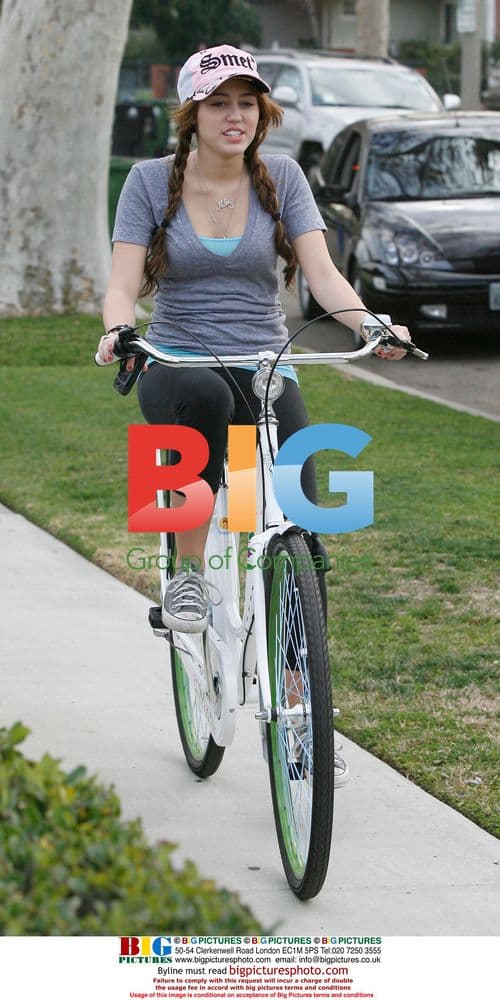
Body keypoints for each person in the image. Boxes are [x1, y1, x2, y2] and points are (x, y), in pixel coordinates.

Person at [98, 44, 411, 785]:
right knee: (206, 406)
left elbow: (323, 275)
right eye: (218, 103)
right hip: (175, 360)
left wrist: (370, 323)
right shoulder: (150, 182)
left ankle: (302, 707)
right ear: (192, 114)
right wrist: (118, 329)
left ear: (262, 112)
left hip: (266, 363)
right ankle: (188, 579)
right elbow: (122, 284)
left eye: (246, 102)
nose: (234, 115)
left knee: (301, 524)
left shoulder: (284, 179)